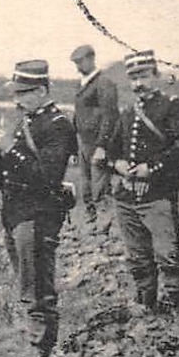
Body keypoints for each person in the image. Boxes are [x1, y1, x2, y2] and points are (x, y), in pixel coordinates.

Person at [0, 59, 77, 357]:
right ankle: (36, 344)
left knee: (37, 286)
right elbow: (7, 176)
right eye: (15, 94)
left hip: (38, 214)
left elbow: (47, 177)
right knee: (26, 280)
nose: (16, 100)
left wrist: (10, 148)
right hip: (17, 212)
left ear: (41, 90)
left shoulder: (58, 125)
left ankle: (40, 350)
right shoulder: (27, 123)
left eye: (22, 93)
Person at [99, 50, 179, 312]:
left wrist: (151, 168)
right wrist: (117, 164)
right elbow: (111, 149)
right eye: (133, 78)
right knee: (137, 256)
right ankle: (147, 305)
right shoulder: (128, 112)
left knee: (167, 254)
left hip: (158, 194)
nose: (138, 84)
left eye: (143, 76)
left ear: (156, 75)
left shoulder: (172, 107)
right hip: (127, 196)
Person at [69, 44, 120, 225]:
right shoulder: (82, 84)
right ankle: (92, 223)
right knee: (86, 185)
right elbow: (78, 114)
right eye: (75, 63)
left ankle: (105, 227)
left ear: (91, 59)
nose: (78, 66)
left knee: (100, 187)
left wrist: (102, 146)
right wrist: (73, 146)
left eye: (80, 62)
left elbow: (110, 117)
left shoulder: (104, 83)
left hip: (97, 143)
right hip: (83, 142)